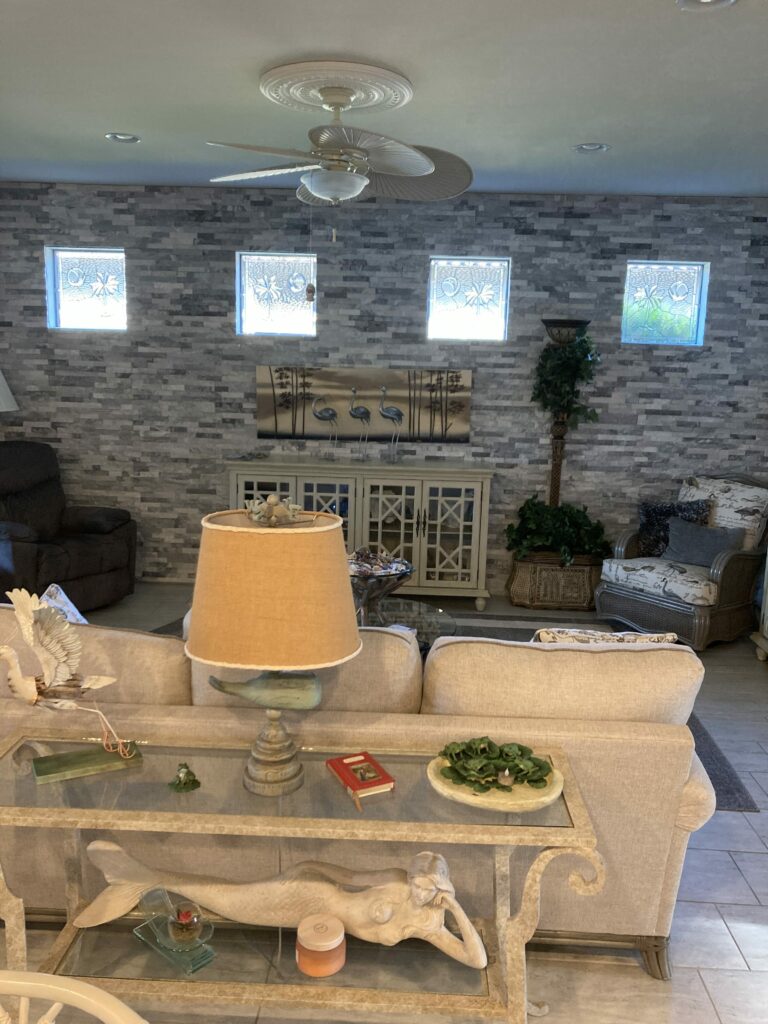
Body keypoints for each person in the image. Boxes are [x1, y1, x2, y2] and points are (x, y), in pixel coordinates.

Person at [76, 843, 487, 969]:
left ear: (441, 888)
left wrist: (455, 910)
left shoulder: (429, 924)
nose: (416, 891)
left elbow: (476, 960)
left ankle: (140, 877)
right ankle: (142, 877)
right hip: (312, 896)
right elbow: (348, 874)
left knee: (233, 899)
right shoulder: (395, 879)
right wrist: (303, 869)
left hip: (318, 922)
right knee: (234, 900)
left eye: (425, 888)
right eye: (415, 882)